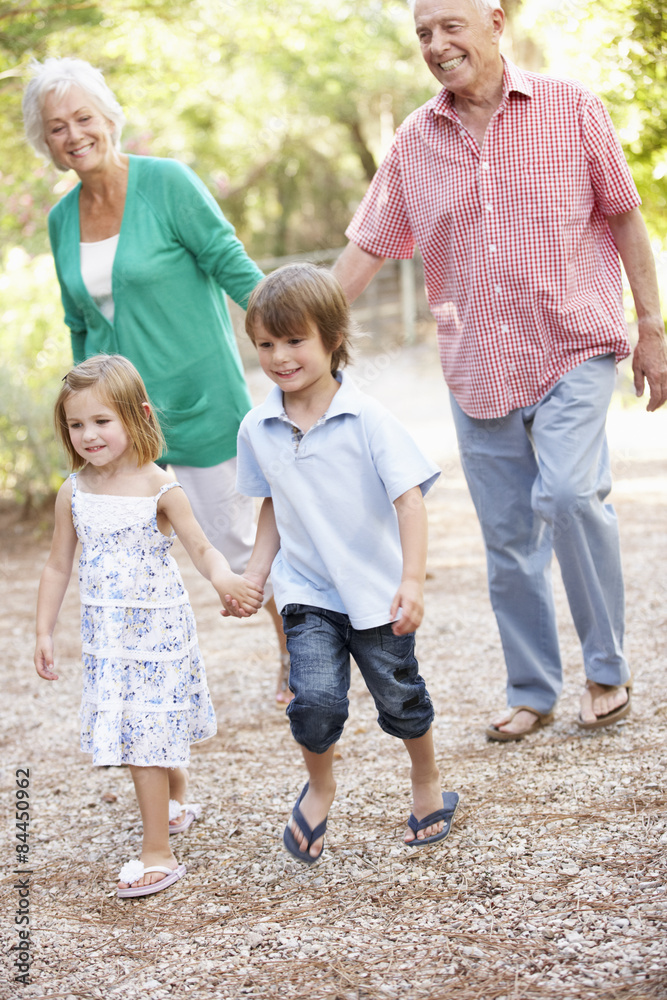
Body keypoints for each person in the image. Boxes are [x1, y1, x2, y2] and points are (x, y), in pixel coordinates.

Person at [331, 0, 667, 739]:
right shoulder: (413, 141)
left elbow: (622, 214)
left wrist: (650, 327)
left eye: (449, 26)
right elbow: (366, 247)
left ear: (492, 21)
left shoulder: (571, 106)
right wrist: (300, 324)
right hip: (476, 365)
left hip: (570, 343)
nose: (436, 44)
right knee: (509, 539)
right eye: (423, 33)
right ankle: (532, 688)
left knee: (573, 496)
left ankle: (606, 670)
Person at [22, 57, 291, 706]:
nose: (73, 134)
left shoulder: (167, 184)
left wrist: (292, 345)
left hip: (199, 404)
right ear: (46, 142)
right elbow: (79, 327)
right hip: (122, 426)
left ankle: (297, 653)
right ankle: (151, 698)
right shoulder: (61, 221)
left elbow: (232, 267)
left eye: (84, 117)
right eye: (56, 126)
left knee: (233, 537)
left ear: (109, 117)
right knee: (129, 561)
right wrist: (82, 421)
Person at [234, 263, 459, 863]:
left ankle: (426, 780)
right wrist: (257, 574)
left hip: (375, 591)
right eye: (265, 344)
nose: (280, 357)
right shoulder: (258, 426)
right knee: (313, 703)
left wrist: (411, 580)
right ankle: (321, 786)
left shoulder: (369, 420)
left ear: (333, 338)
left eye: (294, 340)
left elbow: (409, 503)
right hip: (307, 592)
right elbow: (271, 506)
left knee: (399, 696)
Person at [34, 354, 263, 897]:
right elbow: (57, 564)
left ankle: (157, 849)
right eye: (76, 424)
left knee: (144, 736)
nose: (88, 435)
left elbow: (203, 549)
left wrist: (226, 582)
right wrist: (43, 630)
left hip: (158, 636)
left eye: (101, 421)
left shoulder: (161, 487)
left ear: (135, 416)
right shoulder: (74, 491)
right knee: (143, 729)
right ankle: (175, 797)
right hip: (108, 640)